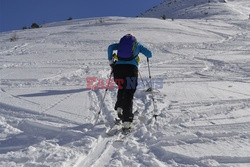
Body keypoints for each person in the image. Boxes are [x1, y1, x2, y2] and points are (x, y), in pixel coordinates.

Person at [107, 34, 152, 129]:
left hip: (118, 69)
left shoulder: (120, 45)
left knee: (121, 87)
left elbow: (110, 47)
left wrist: (111, 62)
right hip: (131, 70)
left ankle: (120, 107)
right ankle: (127, 120)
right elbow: (149, 54)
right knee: (128, 93)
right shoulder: (138, 45)